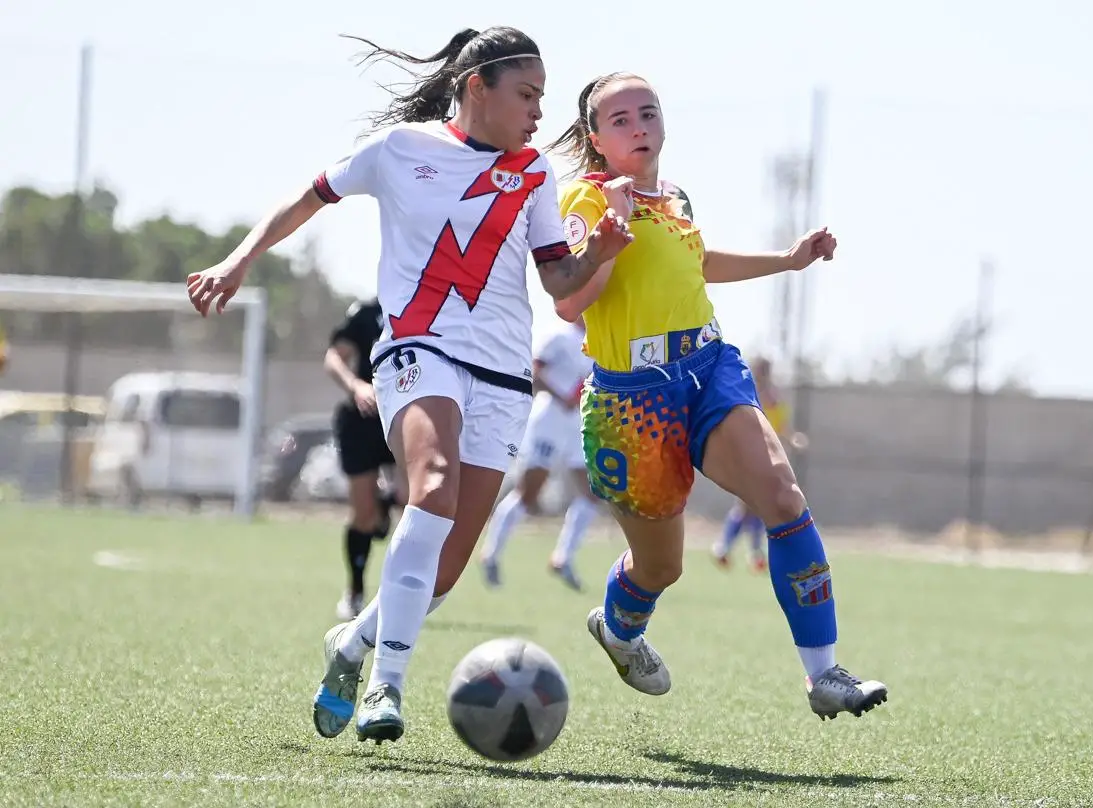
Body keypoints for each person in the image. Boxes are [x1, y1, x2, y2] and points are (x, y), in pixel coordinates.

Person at [186, 27, 632, 745]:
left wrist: (599, 252)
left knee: (446, 568)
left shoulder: (533, 175)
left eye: (543, 98)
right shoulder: (402, 150)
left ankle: (351, 646)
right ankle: (386, 687)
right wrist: (240, 260)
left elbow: (558, 280)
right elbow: (310, 195)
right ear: (476, 86)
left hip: (503, 377)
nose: (538, 114)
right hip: (418, 352)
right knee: (432, 485)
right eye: (527, 95)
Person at [546, 72, 888, 722]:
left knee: (782, 497)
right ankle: (619, 630)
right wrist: (609, 236)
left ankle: (824, 675)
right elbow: (568, 303)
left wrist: (785, 261)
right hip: (630, 403)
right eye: (619, 119)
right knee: (660, 569)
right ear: (595, 137)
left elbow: (698, 263)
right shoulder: (585, 200)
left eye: (648, 112)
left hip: (709, 368)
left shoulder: (675, 196)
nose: (639, 125)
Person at [479, 314, 599, 591]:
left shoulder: (599, 341)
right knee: (529, 492)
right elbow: (534, 372)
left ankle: (563, 558)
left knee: (593, 492)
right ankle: (491, 553)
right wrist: (561, 397)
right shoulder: (559, 335)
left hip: (579, 424)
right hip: (549, 421)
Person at [324, 296, 401, 620]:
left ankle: (400, 595)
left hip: (408, 414)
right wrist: (356, 386)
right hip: (364, 420)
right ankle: (355, 590)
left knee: (414, 498)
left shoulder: (433, 303)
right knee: (364, 515)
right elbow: (334, 357)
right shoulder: (367, 312)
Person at [711, 356, 788, 573]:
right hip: (747, 454)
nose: (764, 374)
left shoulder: (771, 397)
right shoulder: (747, 390)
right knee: (750, 504)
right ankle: (738, 550)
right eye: (762, 370)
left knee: (754, 506)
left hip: (765, 456)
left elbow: (779, 425)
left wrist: (791, 439)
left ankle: (733, 549)